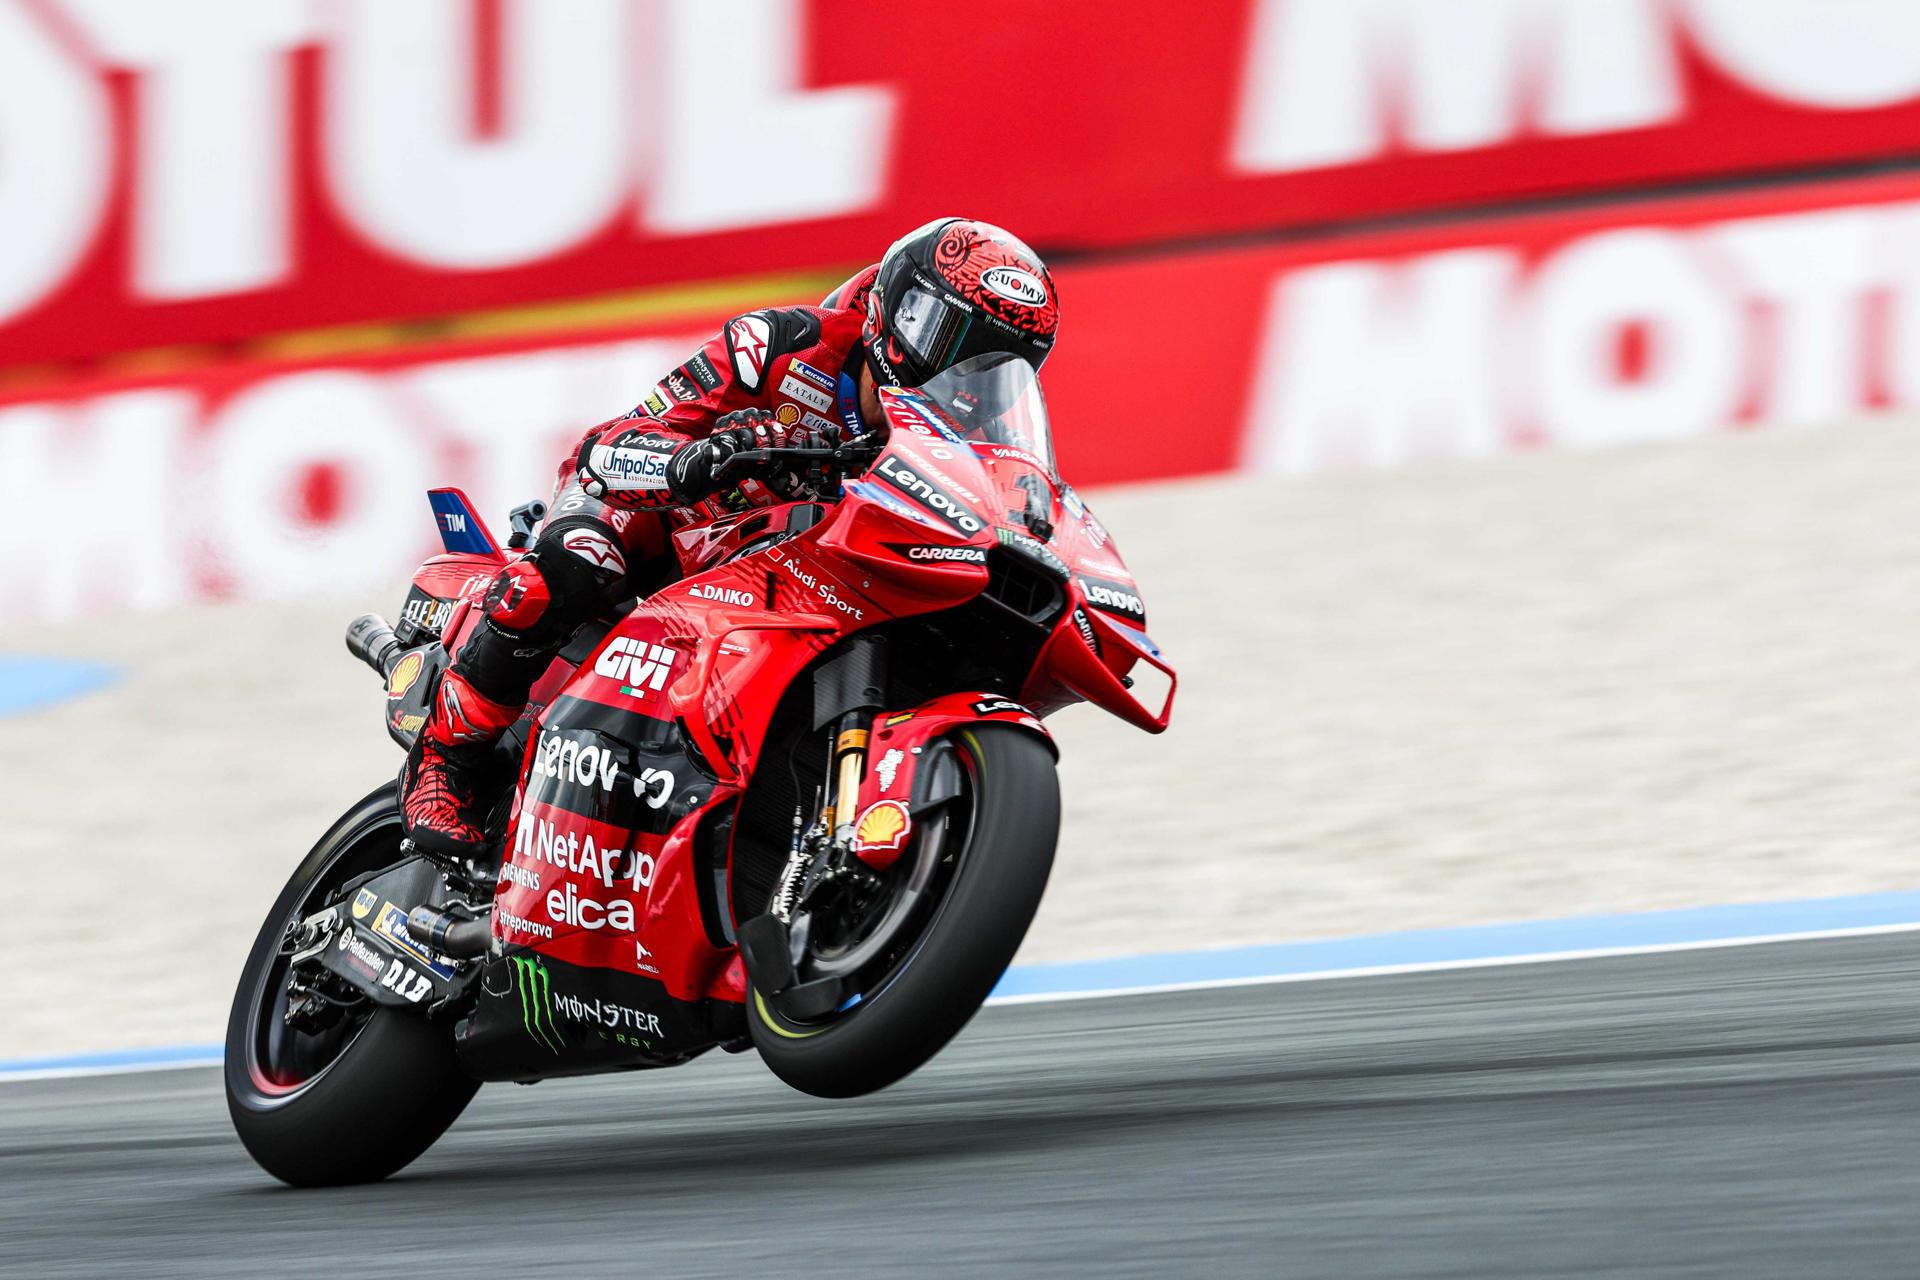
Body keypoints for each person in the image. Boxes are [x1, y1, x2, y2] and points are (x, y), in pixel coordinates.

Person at [401, 217, 1063, 856]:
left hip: (792, 588)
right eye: (953, 341)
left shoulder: (973, 444)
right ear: (902, 313)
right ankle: (443, 762)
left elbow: (1013, 519)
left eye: (993, 365)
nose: (963, 377)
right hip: (665, 535)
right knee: (577, 561)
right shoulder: (777, 347)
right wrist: (698, 461)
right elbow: (608, 448)